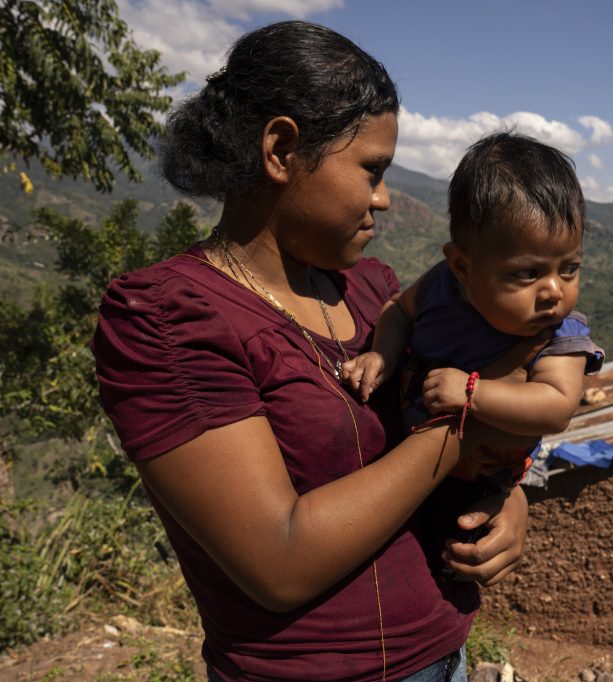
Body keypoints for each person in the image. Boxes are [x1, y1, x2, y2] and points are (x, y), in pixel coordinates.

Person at [91, 21, 529, 682]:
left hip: (445, 656)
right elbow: (280, 561)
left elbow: (473, 436)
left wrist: (507, 496)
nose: (383, 198)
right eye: (371, 171)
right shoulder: (165, 319)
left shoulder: (376, 295)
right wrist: (461, 427)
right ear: (281, 149)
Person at [341, 133, 603, 526]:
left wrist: (472, 393)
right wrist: (383, 354)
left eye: (569, 268)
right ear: (463, 267)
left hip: (472, 491)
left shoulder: (559, 334)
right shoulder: (441, 287)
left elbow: (556, 407)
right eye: (528, 273)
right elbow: (397, 310)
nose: (554, 291)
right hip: (395, 473)